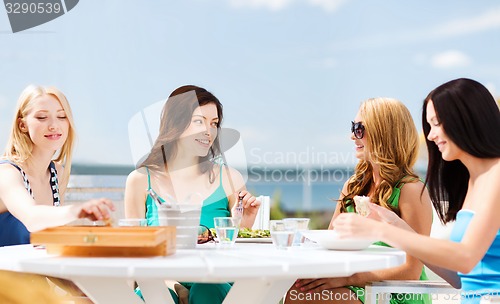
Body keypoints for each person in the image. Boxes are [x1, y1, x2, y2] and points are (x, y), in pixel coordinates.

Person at [333, 78, 500, 304]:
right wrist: (395, 225)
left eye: (437, 123)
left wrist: (381, 231)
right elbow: (461, 278)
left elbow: (466, 258)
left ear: (466, 121)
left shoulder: (496, 176)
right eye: (429, 126)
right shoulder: (474, 182)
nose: (430, 135)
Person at [286, 97, 433, 304]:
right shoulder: (354, 186)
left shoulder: (411, 190)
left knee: (306, 297)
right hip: (357, 285)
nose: (352, 136)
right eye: (353, 128)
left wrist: (347, 278)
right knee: (298, 292)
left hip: (396, 293)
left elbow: (411, 270)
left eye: (359, 129)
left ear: (383, 132)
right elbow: (332, 242)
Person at [124, 85, 261, 304]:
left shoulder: (229, 178)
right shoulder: (140, 180)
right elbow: (133, 256)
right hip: (159, 283)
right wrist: (172, 284)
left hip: (217, 282)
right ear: (175, 124)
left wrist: (242, 227)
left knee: (207, 290)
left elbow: (237, 258)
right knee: (158, 296)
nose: (209, 131)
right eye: (199, 121)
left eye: (214, 123)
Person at [0, 85, 115, 246]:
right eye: (41, 117)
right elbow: (32, 218)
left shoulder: (57, 173)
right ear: (22, 125)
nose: (54, 125)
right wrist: (77, 210)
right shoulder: (7, 172)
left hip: (34, 269)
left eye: (62, 117)